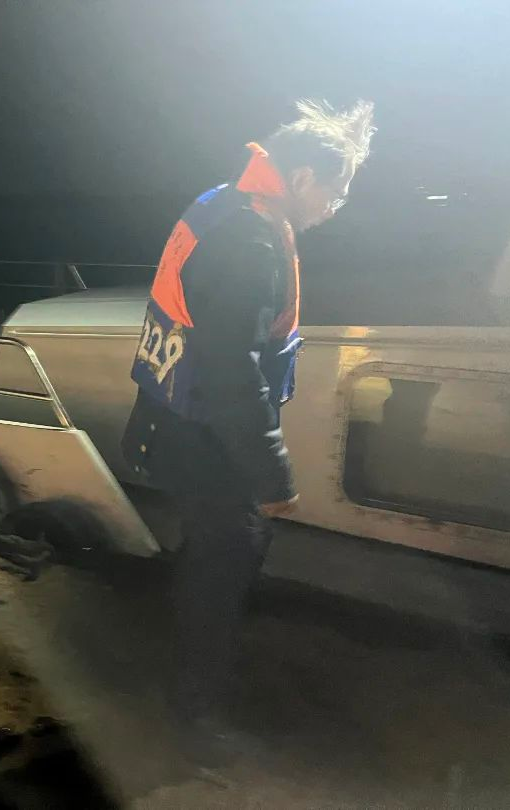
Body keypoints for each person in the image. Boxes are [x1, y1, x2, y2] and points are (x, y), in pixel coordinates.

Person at [121, 100, 376, 741]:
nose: (336, 206)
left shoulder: (220, 204)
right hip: (208, 437)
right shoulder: (252, 244)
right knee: (227, 562)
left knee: (206, 556)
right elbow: (231, 372)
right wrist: (273, 475)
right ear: (304, 177)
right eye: (337, 191)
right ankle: (195, 712)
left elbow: (182, 326)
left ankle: (184, 669)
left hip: (173, 419)